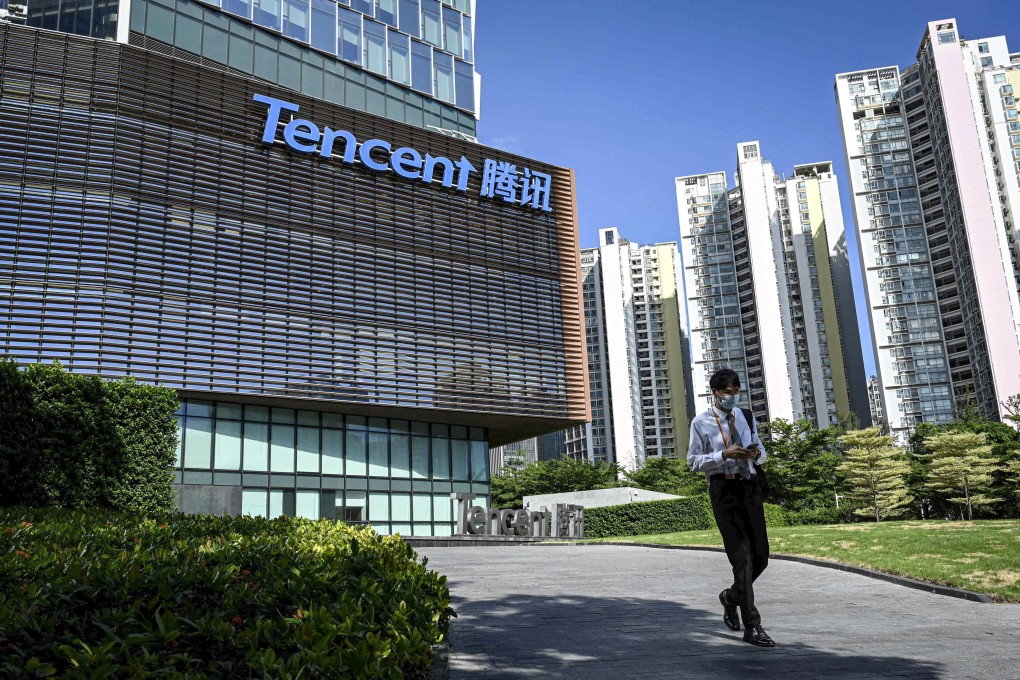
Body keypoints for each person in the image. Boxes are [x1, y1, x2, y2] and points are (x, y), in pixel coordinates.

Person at [687, 368, 775, 648]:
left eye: (736, 392)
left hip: (749, 486)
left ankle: (730, 597)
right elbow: (693, 462)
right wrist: (724, 453)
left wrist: (756, 453)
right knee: (743, 559)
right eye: (727, 392)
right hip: (723, 490)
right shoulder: (701, 422)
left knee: (761, 556)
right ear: (715, 392)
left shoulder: (745, 416)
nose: (732, 397)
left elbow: (760, 449)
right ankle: (753, 626)